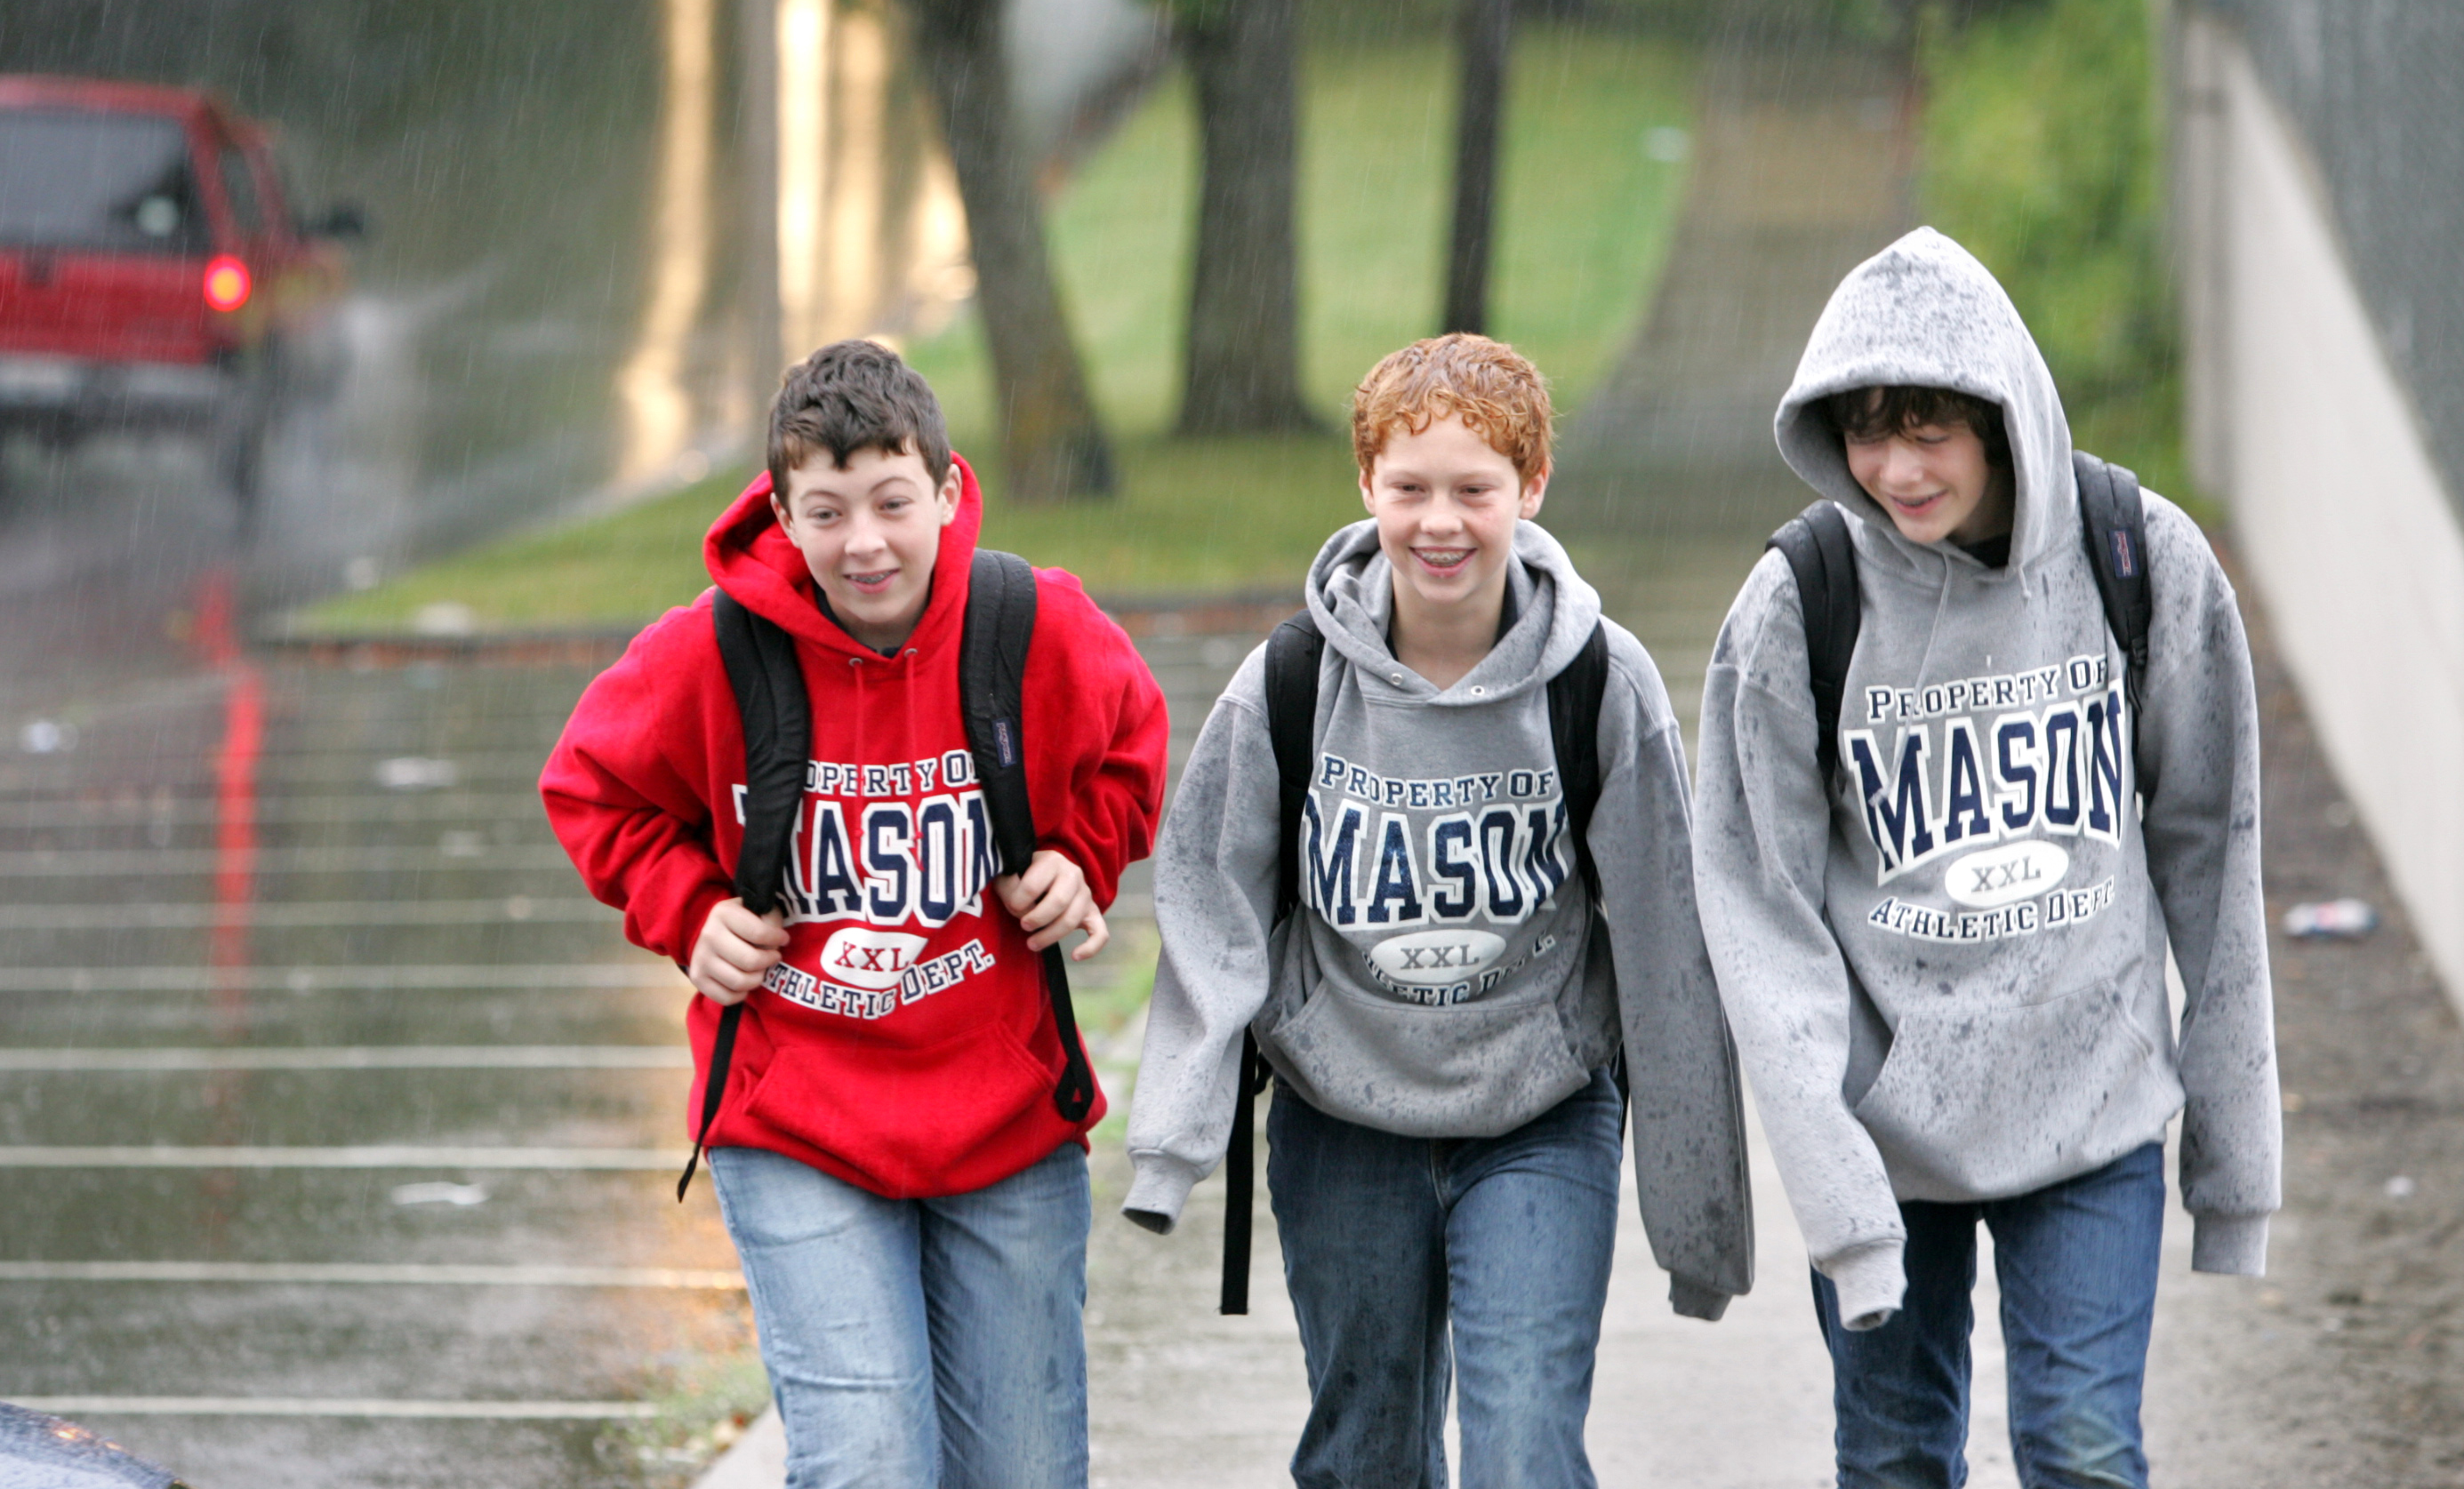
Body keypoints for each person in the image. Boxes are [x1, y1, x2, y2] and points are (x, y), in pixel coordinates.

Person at [1692, 228, 2281, 1489]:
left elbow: (2212, 859)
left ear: (2005, 413)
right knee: (1897, 1458)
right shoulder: (1801, 604)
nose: (1895, 468)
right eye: (1864, 429)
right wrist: (1834, 1187)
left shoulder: (2139, 558)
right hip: (1886, 1133)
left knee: (2082, 1452)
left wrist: (2236, 1159)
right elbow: (1758, 909)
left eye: (1929, 430)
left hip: (2094, 1105)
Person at [1123, 332, 1752, 1489]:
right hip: (1343, 1122)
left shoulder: (1597, 683)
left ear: (1534, 487)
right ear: (1366, 487)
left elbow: (1671, 950)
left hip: (1540, 1116)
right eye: (1410, 488)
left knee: (1522, 1450)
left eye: (1476, 488)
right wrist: (1172, 1142)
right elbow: (1211, 903)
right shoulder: (1291, 682)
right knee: (1367, 1457)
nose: (1440, 521)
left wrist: (1698, 1215)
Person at [541, 340, 1168, 1489]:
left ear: (945, 489)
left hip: (1003, 1119)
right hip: (798, 1118)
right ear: (782, 513)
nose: (864, 542)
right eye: (825, 513)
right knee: (869, 1460)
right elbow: (589, 784)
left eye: (891, 501)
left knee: (1025, 1470)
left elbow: (1131, 746)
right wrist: (689, 911)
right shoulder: (713, 651)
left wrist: (1083, 859)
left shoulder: (1034, 625)